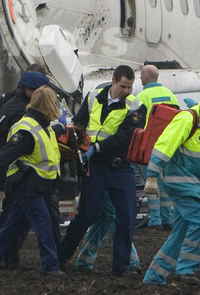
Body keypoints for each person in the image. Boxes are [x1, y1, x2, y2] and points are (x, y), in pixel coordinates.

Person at [142, 76, 200, 286]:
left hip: (194, 185)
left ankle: (154, 277)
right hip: (180, 182)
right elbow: (164, 145)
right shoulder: (188, 118)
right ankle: (186, 269)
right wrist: (152, 176)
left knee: (181, 231)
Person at [58, 65, 145, 277]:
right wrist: (76, 141)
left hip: (119, 166)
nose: (126, 91)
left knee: (126, 215)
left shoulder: (136, 106)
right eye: (123, 86)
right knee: (86, 215)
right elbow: (80, 122)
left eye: (130, 87)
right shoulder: (93, 97)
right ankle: (59, 258)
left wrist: (95, 148)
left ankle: (121, 267)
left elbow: (125, 137)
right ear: (113, 81)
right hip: (95, 167)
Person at [0, 86, 66, 278]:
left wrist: (61, 127)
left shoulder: (41, 125)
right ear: (49, 106)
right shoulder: (27, 130)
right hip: (29, 185)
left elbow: (48, 133)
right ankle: (50, 266)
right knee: (43, 224)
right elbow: (8, 152)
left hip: (37, 185)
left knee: (13, 227)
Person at [0, 68, 51, 269]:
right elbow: (14, 147)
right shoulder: (22, 113)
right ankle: (8, 258)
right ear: (29, 90)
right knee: (32, 221)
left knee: (13, 220)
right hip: (21, 175)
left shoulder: (10, 104)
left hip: (15, 173)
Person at [136, 64, 179, 230]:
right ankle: (167, 218)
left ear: (146, 77)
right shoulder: (170, 95)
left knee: (151, 182)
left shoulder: (142, 96)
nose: (140, 78)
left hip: (150, 147)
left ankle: (155, 220)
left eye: (141, 75)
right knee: (164, 183)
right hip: (169, 146)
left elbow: (138, 122)